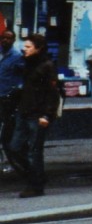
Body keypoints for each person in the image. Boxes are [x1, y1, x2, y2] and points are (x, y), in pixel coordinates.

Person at [8, 34, 57, 198]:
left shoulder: (47, 66)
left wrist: (47, 115)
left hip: (38, 115)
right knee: (14, 147)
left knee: (34, 151)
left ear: (39, 48)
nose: (24, 49)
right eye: (24, 46)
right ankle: (37, 177)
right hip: (24, 112)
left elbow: (53, 94)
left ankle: (35, 186)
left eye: (28, 47)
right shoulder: (26, 64)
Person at [0, 29, 23, 172]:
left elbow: (23, 78)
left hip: (6, 99)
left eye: (8, 38)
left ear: (13, 40)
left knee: (6, 131)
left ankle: (12, 160)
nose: (5, 40)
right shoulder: (1, 55)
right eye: (3, 38)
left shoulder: (17, 56)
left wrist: (15, 91)